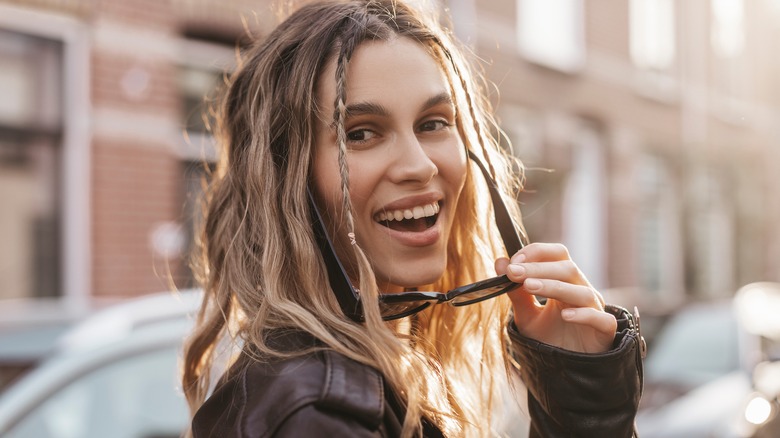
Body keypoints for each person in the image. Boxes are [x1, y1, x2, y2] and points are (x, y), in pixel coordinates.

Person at [182, 1, 644, 437]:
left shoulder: (355, 386)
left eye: (434, 123)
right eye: (360, 134)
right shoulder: (321, 414)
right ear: (286, 179)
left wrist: (581, 403)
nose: (420, 165)